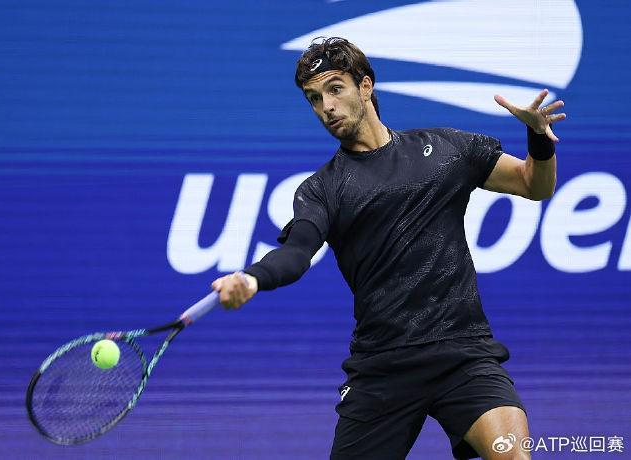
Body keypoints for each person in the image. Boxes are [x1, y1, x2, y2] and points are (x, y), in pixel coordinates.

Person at [211, 37, 565, 459]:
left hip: (463, 354)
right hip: (382, 368)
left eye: (335, 89)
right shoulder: (322, 189)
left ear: (365, 86)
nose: (326, 107)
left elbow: (533, 184)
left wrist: (538, 137)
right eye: (314, 98)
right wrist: (253, 278)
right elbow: (296, 252)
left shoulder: (445, 150)